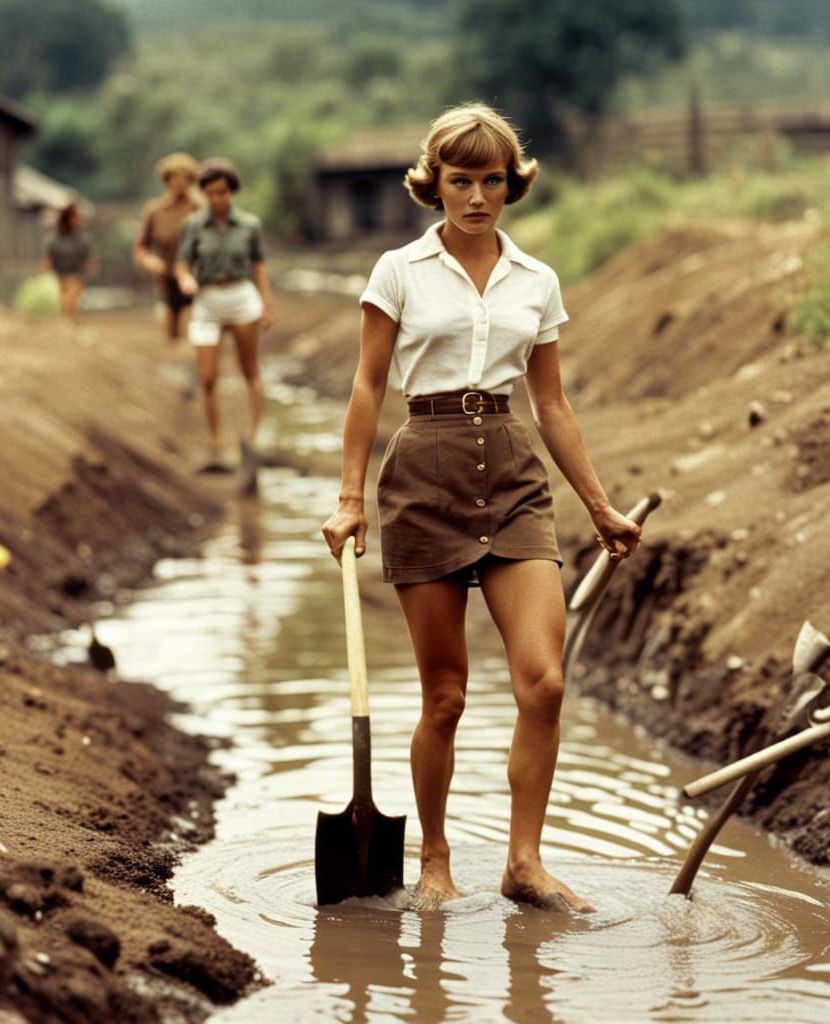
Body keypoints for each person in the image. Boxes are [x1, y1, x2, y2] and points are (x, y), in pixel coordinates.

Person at [320, 103, 642, 913]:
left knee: (545, 684)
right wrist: (350, 499)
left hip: (512, 474)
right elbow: (367, 385)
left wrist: (600, 506)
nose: (476, 196)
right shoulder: (398, 271)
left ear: (510, 185)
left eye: (491, 180)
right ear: (434, 184)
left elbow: (552, 404)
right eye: (460, 180)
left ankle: (523, 863)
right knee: (446, 697)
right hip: (423, 475)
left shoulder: (537, 280)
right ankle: (434, 859)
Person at [174, 158, 274, 479]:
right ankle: (214, 442)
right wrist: (185, 279)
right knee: (207, 378)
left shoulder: (249, 225)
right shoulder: (193, 226)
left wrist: (266, 304)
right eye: (212, 193)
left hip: (241, 296)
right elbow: (182, 263)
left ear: (232, 192)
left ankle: (252, 436)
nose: (219, 199)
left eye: (224, 192)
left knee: (249, 370)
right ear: (204, 194)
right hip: (207, 299)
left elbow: (259, 266)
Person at [133, 152, 203, 343]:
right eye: (173, 178)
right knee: (169, 337)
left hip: (196, 280)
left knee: (192, 336)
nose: (178, 183)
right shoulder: (155, 210)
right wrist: (149, 260)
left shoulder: (200, 208)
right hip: (166, 281)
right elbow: (141, 247)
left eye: (184, 178)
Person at [42, 201, 97, 327]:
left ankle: (70, 321)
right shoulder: (55, 238)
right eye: (75, 217)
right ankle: (71, 321)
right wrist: (46, 265)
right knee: (66, 298)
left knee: (71, 297)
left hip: (76, 272)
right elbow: (50, 254)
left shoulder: (81, 236)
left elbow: (87, 253)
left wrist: (91, 264)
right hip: (61, 272)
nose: (78, 220)